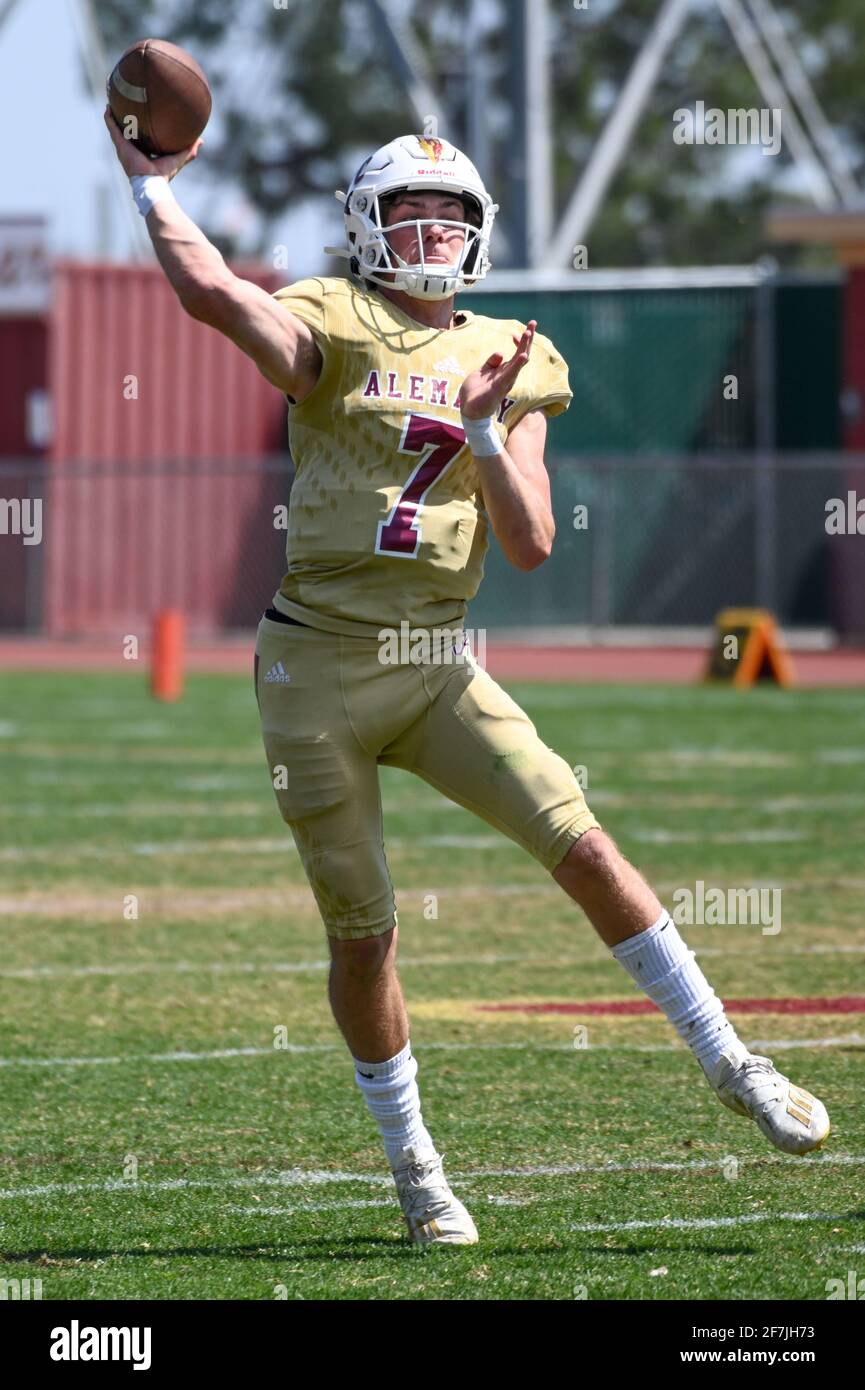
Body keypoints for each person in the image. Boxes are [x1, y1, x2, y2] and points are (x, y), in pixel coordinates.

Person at [105, 120, 830, 1248]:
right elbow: (214, 296)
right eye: (407, 212)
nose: (430, 230)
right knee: (365, 935)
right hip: (314, 666)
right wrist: (152, 191)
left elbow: (533, 542)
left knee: (584, 845)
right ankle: (416, 1171)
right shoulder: (330, 317)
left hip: (436, 661)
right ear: (367, 227)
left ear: (481, 232)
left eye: (449, 213)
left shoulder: (515, 351)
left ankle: (732, 1062)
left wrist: (486, 430)